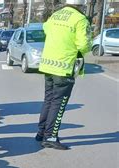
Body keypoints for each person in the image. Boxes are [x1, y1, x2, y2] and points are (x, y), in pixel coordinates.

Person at [36, 0, 91, 150]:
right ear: (81, 5)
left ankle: (41, 132)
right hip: (64, 66)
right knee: (58, 103)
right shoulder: (80, 19)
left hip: (48, 64)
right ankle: (50, 137)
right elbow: (84, 45)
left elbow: (46, 29)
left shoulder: (55, 15)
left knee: (48, 99)